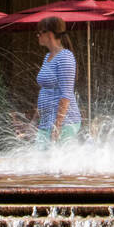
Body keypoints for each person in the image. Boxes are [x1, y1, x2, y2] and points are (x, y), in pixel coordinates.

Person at [35, 16, 80, 144]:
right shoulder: (47, 57)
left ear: (49, 34)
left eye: (39, 33)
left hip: (64, 123)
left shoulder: (65, 57)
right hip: (46, 123)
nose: (37, 36)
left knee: (57, 162)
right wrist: (34, 120)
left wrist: (57, 126)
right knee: (39, 159)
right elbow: (44, 90)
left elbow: (66, 94)